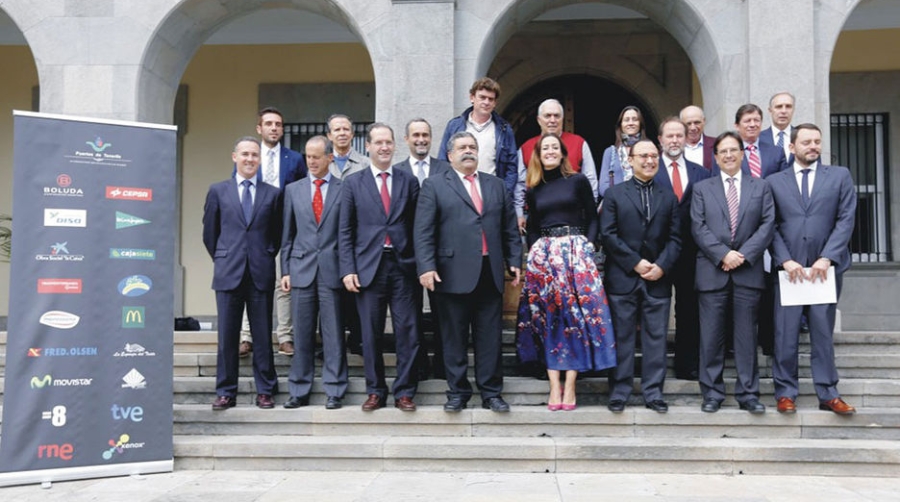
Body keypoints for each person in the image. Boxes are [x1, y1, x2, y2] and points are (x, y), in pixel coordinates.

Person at [415, 131, 522, 413]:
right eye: (462, 147)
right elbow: (423, 231)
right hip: (450, 274)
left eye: (472, 146)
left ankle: (491, 393)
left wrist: (514, 260)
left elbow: (510, 228)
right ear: (450, 155)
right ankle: (457, 392)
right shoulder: (434, 185)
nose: (468, 151)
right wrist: (426, 267)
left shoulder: (496, 185)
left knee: (490, 337)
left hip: (489, 272)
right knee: (454, 337)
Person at [515, 133, 616, 411]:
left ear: (562, 153)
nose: (549, 151)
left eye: (554, 148)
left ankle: (570, 384)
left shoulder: (578, 181)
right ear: (538, 153)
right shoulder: (533, 187)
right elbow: (533, 224)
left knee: (576, 318)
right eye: (544, 147)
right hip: (544, 257)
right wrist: (535, 251)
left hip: (576, 253)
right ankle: (553, 385)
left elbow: (593, 217)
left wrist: (588, 246)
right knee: (548, 319)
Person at [769, 123, 857, 415]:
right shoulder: (774, 181)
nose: (813, 146)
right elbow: (770, 225)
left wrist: (827, 257)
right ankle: (785, 393)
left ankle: (828, 393)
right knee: (785, 334)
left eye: (817, 141)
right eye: (806, 142)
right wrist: (785, 260)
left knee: (822, 332)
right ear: (792, 147)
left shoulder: (840, 176)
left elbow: (846, 219)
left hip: (824, 271)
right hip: (789, 271)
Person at [691, 131, 775, 413]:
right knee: (711, 337)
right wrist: (722, 254)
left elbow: (767, 225)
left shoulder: (760, 187)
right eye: (722, 151)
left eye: (733, 150)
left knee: (746, 338)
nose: (728, 155)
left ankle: (749, 394)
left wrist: (743, 256)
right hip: (712, 272)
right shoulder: (703, 188)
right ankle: (712, 393)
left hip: (747, 273)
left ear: (742, 153)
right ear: (715, 157)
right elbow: (698, 227)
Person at [340, 123, 421, 412]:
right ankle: (375, 390)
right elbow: (345, 230)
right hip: (367, 269)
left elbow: (417, 227)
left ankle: (405, 392)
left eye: (388, 142)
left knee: (408, 332)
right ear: (369, 146)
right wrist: (348, 269)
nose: (384, 147)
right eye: (378, 143)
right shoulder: (353, 183)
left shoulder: (408, 181)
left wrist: (421, 265)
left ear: (394, 145)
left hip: (403, 266)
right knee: (369, 333)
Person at [600, 139, 681, 414]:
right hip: (623, 278)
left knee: (656, 338)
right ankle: (619, 391)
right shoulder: (614, 195)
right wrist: (635, 263)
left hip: (658, 279)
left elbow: (676, 238)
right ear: (630, 160)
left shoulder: (668, 196)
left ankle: (653, 392)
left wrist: (661, 265)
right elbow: (608, 235)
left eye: (653, 156)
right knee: (622, 338)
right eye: (643, 156)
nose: (649, 161)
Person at [202, 136, 281, 410]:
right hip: (228, 271)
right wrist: (225, 256)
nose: (250, 159)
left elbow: (277, 235)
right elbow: (209, 234)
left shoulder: (273, 193)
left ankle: (265, 391)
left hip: (260, 270)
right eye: (245, 154)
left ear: (260, 160)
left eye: (255, 155)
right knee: (227, 336)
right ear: (234, 157)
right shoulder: (217, 191)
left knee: (262, 334)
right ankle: (226, 391)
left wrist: (264, 254)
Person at [280, 136, 348, 410]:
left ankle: (335, 389)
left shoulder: (345, 189)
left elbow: (347, 235)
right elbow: (287, 235)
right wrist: (285, 269)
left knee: (333, 333)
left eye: (317, 156)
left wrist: (347, 270)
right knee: (303, 333)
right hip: (300, 268)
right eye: (308, 156)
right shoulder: (293, 190)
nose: (311, 161)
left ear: (330, 157)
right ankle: (298, 389)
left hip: (332, 270)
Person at [237, 107, 307, 359]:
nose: (274, 128)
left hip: (286, 226)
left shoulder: (295, 159)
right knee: (248, 279)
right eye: (269, 124)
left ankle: (285, 336)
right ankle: (247, 336)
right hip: (254, 227)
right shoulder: (249, 156)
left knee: (284, 282)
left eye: (278, 124)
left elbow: (302, 192)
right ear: (260, 128)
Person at [393, 118, 452, 380]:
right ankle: (417, 367)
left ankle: (442, 366)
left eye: (426, 135)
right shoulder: (396, 171)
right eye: (416, 135)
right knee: (410, 315)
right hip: (405, 256)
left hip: (441, 255)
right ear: (406, 139)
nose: (421, 139)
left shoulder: (446, 169)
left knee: (443, 314)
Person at [653, 117, 711, 381]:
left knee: (689, 309)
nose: (675, 140)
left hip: (692, 252)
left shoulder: (701, 172)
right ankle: (655, 368)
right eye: (670, 136)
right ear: (660, 140)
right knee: (657, 310)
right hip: (658, 252)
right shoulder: (651, 171)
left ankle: (688, 365)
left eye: (680, 135)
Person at [513, 98, 599, 230]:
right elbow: (520, 184)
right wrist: (519, 214)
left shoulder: (579, 143)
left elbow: (590, 179)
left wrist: (588, 212)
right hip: (537, 216)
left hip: (572, 217)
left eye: (556, 116)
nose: (552, 120)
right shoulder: (526, 148)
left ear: (562, 119)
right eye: (547, 116)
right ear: (538, 120)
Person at [325, 113, 370, 355]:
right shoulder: (323, 163)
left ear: (353, 134)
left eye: (346, 129)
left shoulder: (364, 164)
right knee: (330, 291)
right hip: (328, 237)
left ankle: (357, 338)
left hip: (357, 235)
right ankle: (330, 343)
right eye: (337, 129)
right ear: (329, 135)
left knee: (356, 289)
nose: (342, 133)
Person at [438, 77, 518, 197]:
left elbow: (512, 167)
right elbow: (443, 160)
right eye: (482, 97)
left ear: (495, 103)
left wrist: (503, 194)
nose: (486, 102)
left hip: (492, 193)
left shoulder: (504, 130)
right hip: (459, 193)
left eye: (491, 99)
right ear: (472, 98)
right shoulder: (454, 126)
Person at [598, 106, 647, 198]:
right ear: (620, 125)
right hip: (617, 205)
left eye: (635, 119)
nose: (631, 123)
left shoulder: (649, 150)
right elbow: (603, 187)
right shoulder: (610, 152)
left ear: (640, 124)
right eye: (626, 120)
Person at [760, 92, 795, 160]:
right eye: (779, 107)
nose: (784, 111)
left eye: (788, 106)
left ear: (793, 110)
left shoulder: (802, 137)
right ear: (770, 110)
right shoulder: (758, 139)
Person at [679, 105, 716, 170]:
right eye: (688, 124)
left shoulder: (717, 144)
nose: (693, 128)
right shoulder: (674, 148)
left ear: (704, 121)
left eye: (697, 122)